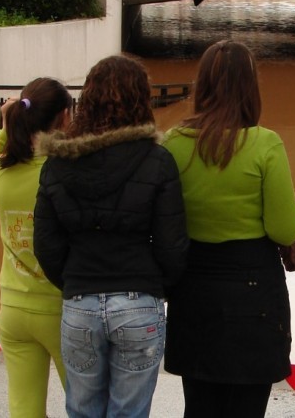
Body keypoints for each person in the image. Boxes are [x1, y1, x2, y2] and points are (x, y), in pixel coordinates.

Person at [33, 55, 189, 418]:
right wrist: (154, 285)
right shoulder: (157, 160)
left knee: (83, 410)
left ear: (86, 100)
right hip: (138, 301)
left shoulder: (58, 163)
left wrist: (74, 280)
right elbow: (172, 245)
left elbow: (46, 244)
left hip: (80, 302)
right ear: (142, 101)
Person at [162, 39, 295, 417]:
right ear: (250, 87)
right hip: (253, 297)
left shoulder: (175, 143)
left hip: (193, 293)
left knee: (200, 407)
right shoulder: (265, 144)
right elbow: (284, 229)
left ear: (202, 85)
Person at [0, 77, 72, 418]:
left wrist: (4, 129)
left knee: (24, 409)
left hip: (13, 308)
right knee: (85, 407)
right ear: (63, 118)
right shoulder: (63, 171)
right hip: (62, 310)